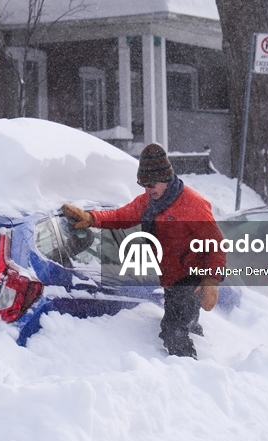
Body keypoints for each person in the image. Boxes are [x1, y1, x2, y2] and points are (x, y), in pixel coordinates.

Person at [62, 143, 225, 359]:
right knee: (183, 323)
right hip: (171, 278)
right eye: (144, 185)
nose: (148, 190)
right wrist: (91, 218)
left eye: (151, 184)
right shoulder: (150, 202)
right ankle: (202, 355)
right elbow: (121, 216)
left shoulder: (193, 205)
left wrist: (211, 281)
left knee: (173, 332)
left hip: (190, 280)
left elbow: (216, 244)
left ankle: (192, 373)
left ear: (165, 178)